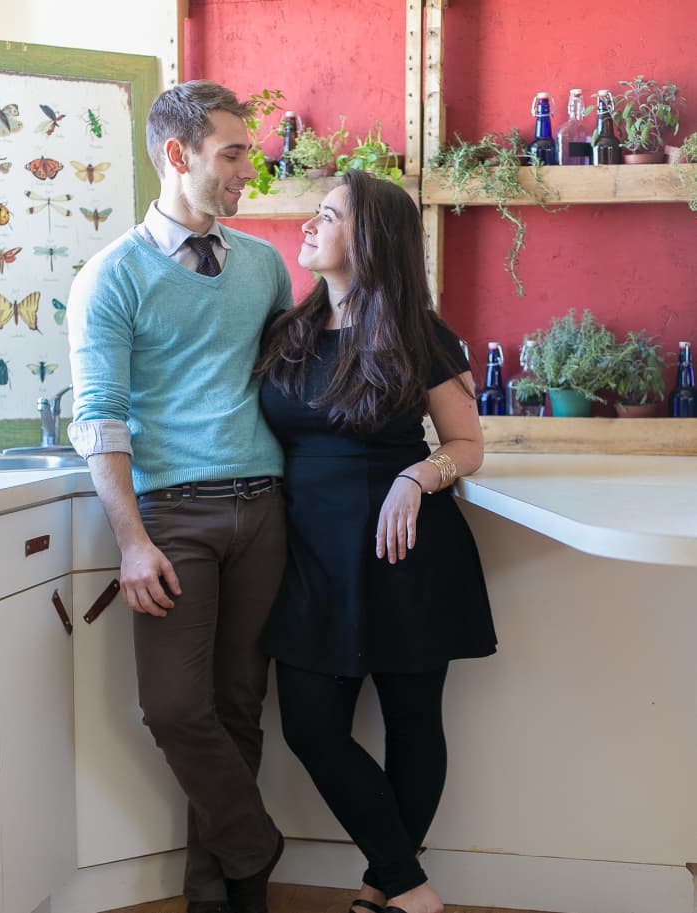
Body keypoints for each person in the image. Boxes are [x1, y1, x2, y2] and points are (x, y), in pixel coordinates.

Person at [67, 80, 291, 913]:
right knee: (173, 707)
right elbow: (100, 419)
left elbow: (288, 386)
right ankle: (257, 844)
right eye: (231, 153)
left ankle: (221, 897)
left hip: (265, 509)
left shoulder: (265, 267)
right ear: (177, 154)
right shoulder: (112, 278)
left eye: (246, 151)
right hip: (172, 519)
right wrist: (132, 539)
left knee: (237, 708)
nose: (247, 169)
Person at [256, 171, 497, 913]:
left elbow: (466, 441)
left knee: (414, 723)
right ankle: (411, 885)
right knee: (310, 727)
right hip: (311, 558)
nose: (308, 224)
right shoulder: (286, 333)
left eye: (327, 215)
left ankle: (380, 886)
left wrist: (419, 476)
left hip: (406, 553)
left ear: (369, 239)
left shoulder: (420, 332)